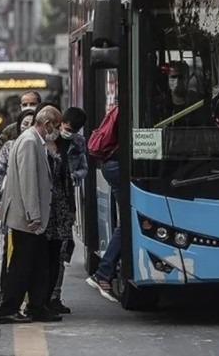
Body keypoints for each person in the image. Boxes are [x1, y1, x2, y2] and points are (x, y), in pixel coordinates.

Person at [0, 106, 63, 324]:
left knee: (37, 263)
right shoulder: (29, 141)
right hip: (26, 217)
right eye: (55, 126)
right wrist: (33, 215)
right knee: (22, 264)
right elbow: (28, 182)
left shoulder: (35, 140)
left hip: (31, 217)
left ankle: (37, 306)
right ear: (47, 124)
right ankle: (9, 309)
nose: (55, 131)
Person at [0, 109, 35, 299]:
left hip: (36, 211)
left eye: (31, 124)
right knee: (10, 251)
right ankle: (6, 295)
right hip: (12, 207)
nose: (27, 128)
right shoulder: (9, 147)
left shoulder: (43, 146)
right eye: (24, 124)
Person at [46, 107, 88, 314]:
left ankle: (55, 296)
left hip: (66, 201)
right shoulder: (46, 140)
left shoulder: (78, 143)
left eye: (72, 130)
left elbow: (84, 168)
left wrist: (75, 175)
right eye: (65, 126)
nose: (66, 131)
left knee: (61, 252)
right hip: (47, 202)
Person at [86, 106, 121, 302]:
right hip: (117, 165)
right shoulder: (130, 107)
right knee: (129, 223)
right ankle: (103, 273)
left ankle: (104, 272)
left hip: (111, 165)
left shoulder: (118, 108)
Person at [0, 91, 42, 164]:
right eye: (25, 105)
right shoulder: (9, 130)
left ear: (40, 105)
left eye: (32, 104)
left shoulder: (47, 127)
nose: (28, 107)